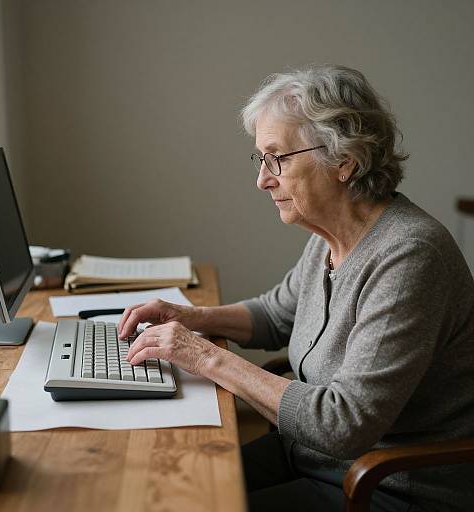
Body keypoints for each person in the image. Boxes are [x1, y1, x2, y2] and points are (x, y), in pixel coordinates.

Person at [118, 65, 474, 511]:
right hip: (313, 458)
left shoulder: (410, 257)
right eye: (261, 159)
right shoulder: (329, 237)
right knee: (163, 484)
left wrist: (206, 355)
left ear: (345, 161)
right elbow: (275, 314)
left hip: (387, 488)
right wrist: (189, 318)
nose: (263, 179)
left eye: (278, 158)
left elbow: (344, 424)